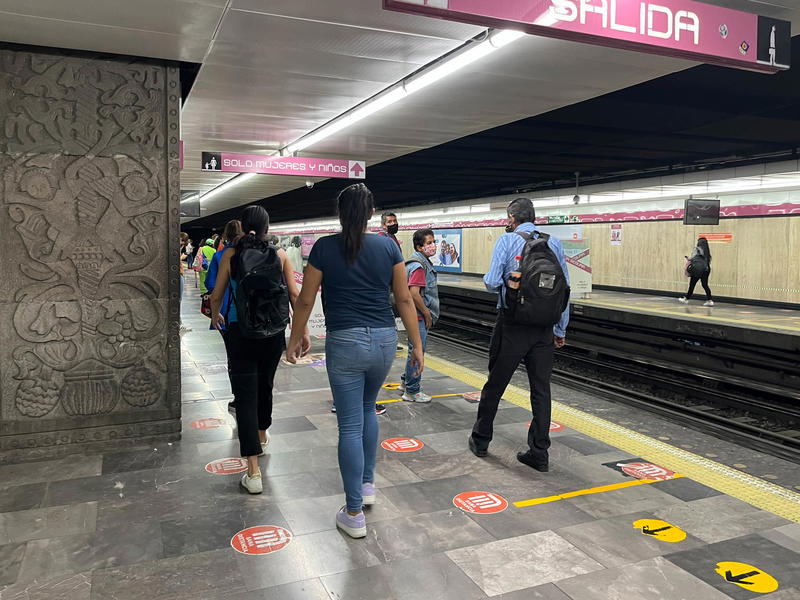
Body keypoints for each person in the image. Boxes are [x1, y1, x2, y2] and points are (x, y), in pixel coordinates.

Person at [286, 183, 423, 539]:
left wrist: (296, 337)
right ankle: (366, 487)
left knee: (349, 425)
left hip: (345, 342)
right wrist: (417, 346)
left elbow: (304, 300)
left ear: (339, 213)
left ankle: (353, 514)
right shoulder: (389, 246)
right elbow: (405, 301)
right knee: (367, 409)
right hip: (383, 341)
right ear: (371, 213)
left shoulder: (325, 248)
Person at [210, 207, 309, 494]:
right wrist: (301, 331)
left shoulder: (230, 254)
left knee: (245, 394)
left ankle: (252, 472)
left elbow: (217, 294)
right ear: (267, 227)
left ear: (242, 226)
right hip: (273, 331)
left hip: (240, 331)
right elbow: (294, 294)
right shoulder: (279, 255)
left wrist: (217, 315)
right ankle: (263, 434)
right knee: (265, 385)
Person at [468, 198, 570, 473]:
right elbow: (565, 289)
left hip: (512, 325)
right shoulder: (554, 243)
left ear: (512, 218)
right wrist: (560, 329)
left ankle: (481, 440)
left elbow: (491, 281)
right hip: (544, 329)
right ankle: (539, 453)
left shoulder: (508, 240)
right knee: (541, 391)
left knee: (495, 385)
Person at [206, 220, 244, 411]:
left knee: (234, 357)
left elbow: (211, 285)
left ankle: (239, 398)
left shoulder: (221, 255)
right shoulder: (255, 252)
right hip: (257, 315)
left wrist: (215, 314)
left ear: (226, 236)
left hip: (228, 313)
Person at [399, 228, 439, 403]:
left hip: (414, 315)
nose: (433, 245)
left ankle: (405, 380)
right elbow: (414, 294)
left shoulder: (415, 262)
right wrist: (426, 313)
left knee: (413, 350)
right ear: (419, 247)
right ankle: (412, 390)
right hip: (418, 316)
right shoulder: (419, 266)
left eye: (433, 241)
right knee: (417, 350)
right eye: (429, 243)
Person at [679, 237, 713, 307]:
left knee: (692, 285)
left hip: (697, 269)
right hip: (706, 269)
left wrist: (688, 259)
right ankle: (710, 300)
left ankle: (686, 299)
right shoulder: (707, 252)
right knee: (705, 285)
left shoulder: (697, 249)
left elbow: (694, 258)